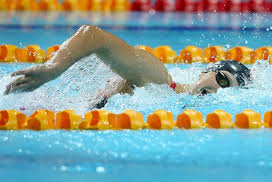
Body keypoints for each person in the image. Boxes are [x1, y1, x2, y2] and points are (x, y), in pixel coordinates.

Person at [4, 25, 252, 109]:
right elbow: (94, 35)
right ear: (206, 70)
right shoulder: (159, 78)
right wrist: (52, 69)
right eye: (222, 79)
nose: (219, 91)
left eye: (229, 90)